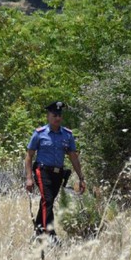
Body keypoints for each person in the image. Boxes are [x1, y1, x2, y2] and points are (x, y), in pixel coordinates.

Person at [25, 101, 85, 240]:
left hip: (58, 174)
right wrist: (29, 177)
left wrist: (81, 177)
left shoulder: (67, 135)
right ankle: (49, 234)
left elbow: (73, 157)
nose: (57, 118)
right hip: (42, 170)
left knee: (47, 202)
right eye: (54, 115)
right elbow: (29, 156)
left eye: (59, 115)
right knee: (48, 200)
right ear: (48, 116)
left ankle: (38, 233)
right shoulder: (39, 133)